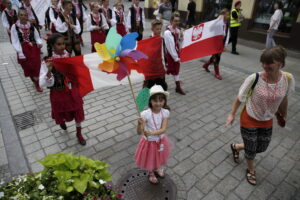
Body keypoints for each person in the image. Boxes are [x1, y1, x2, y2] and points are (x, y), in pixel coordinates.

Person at [225, 46, 295, 185]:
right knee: (251, 149)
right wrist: (231, 114)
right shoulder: (254, 78)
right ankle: (251, 170)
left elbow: (284, 99)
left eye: (269, 64)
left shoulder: (287, 78)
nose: (265, 66)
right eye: (263, 63)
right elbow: (240, 97)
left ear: (280, 63)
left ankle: (237, 146)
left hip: (267, 118)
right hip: (249, 118)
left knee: (261, 147)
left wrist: (283, 116)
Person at [39, 33, 87, 145]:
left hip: (71, 90)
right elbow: (42, 83)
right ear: (52, 45)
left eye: (63, 44)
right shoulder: (47, 61)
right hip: (58, 92)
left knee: (78, 110)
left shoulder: (68, 56)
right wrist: (49, 71)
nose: (62, 47)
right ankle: (62, 121)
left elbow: (76, 72)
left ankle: (79, 133)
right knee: (62, 112)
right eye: (59, 44)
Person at [135, 85, 171, 184]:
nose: (158, 103)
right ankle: (151, 172)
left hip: (161, 140)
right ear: (150, 101)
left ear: (164, 101)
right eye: (155, 100)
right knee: (150, 158)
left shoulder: (165, 112)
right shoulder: (145, 114)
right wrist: (139, 124)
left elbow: (163, 129)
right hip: (149, 143)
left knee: (158, 156)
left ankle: (157, 168)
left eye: (161, 100)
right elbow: (139, 132)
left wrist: (151, 132)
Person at [11, 8, 43, 92]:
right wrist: (20, 52)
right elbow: (15, 40)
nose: (23, 17)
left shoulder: (31, 25)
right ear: (18, 16)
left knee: (36, 66)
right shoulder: (14, 27)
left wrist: (39, 42)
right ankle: (34, 79)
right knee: (28, 67)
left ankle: (37, 83)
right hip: (23, 49)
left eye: (25, 15)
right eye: (21, 15)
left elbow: (37, 36)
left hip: (34, 48)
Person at [202, 9, 230, 80]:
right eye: (227, 14)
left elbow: (227, 34)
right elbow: (210, 27)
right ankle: (217, 73)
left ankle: (206, 65)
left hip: (221, 43)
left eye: (228, 15)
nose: (228, 16)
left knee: (215, 56)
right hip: (215, 43)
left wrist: (225, 45)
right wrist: (218, 19)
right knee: (217, 58)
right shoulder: (217, 23)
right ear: (222, 15)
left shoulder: (226, 23)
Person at [164, 12, 186, 95]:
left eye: (178, 21)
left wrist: (182, 37)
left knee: (175, 70)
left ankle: (178, 87)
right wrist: (175, 57)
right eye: (175, 21)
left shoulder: (178, 31)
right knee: (168, 69)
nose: (177, 23)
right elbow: (170, 47)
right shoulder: (167, 32)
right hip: (171, 54)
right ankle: (157, 82)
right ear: (171, 21)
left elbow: (179, 43)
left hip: (176, 53)